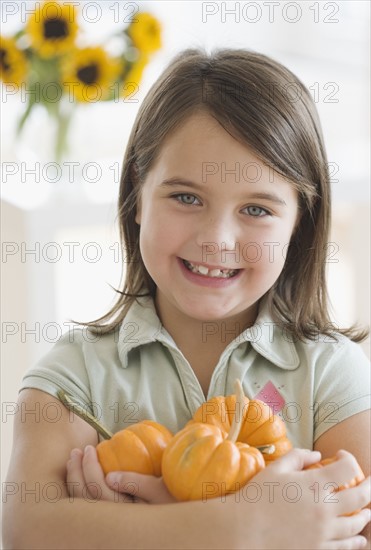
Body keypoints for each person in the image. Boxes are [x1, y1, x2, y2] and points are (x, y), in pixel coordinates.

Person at [3, 48, 370, 550]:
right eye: (186, 198)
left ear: (299, 221)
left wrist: (143, 530)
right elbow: (29, 532)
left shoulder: (333, 373)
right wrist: (246, 528)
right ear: (137, 195)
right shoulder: (73, 378)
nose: (217, 239)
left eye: (257, 209)